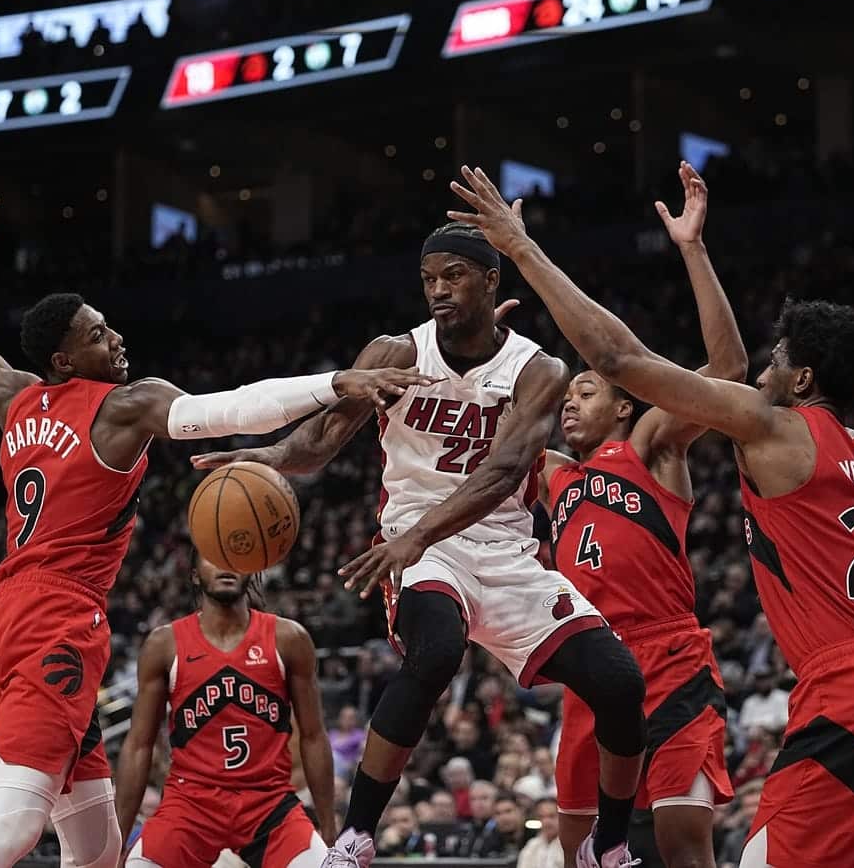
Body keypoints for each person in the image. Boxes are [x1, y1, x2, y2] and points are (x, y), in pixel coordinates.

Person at [447, 163, 854, 868]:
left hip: (841, 687)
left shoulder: (763, 429)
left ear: (804, 380)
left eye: (775, 365)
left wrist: (521, 249)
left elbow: (621, 354)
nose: (760, 378)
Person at [0, 158, 434, 868]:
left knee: (98, 843)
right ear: (63, 357)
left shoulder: (16, 398)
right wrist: (335, 383)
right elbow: (224, 410)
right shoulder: (124, 404)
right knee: (14, 819)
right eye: (97, 334)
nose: (115, 339)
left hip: (6, 616)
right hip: (57, 619)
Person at [195, 221, 649, 868]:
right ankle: (354, 839)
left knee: (621, 683)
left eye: (454, 276)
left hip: (504, 552)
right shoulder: (394, 354)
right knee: (437, 648)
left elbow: (501, 474)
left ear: (491, 281)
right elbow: (322, 440)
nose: (438, 289)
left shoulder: (538, 369)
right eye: (429, 278)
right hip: (426, 551)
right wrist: (271, 456)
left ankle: (608, 847)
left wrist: (413, 537)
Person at [540, 163, 738, 868]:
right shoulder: (553, 475)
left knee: (685, 839)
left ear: (622, 404)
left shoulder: (650, 444)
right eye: (566, 394)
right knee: (580, 853)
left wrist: (692, 248)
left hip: (669, 657)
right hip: (589, 664)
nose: (570, 400)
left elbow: (727, 365)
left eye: (585, 389)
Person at [114, 549, 334, 867]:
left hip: (269, 803)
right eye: (212, 556)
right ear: (193, 573)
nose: (225, 565)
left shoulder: (289, 638)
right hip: (190, 804)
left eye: (235, 556)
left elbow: (313, 736)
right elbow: (138, 745)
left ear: (252, 571)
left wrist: (328, 828)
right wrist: (119, 837)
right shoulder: (164, 644)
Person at [517, 799, 563, 868]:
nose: (546, 821)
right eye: (541, 817)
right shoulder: (532, 845)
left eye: (552, 816)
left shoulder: (570, 845)